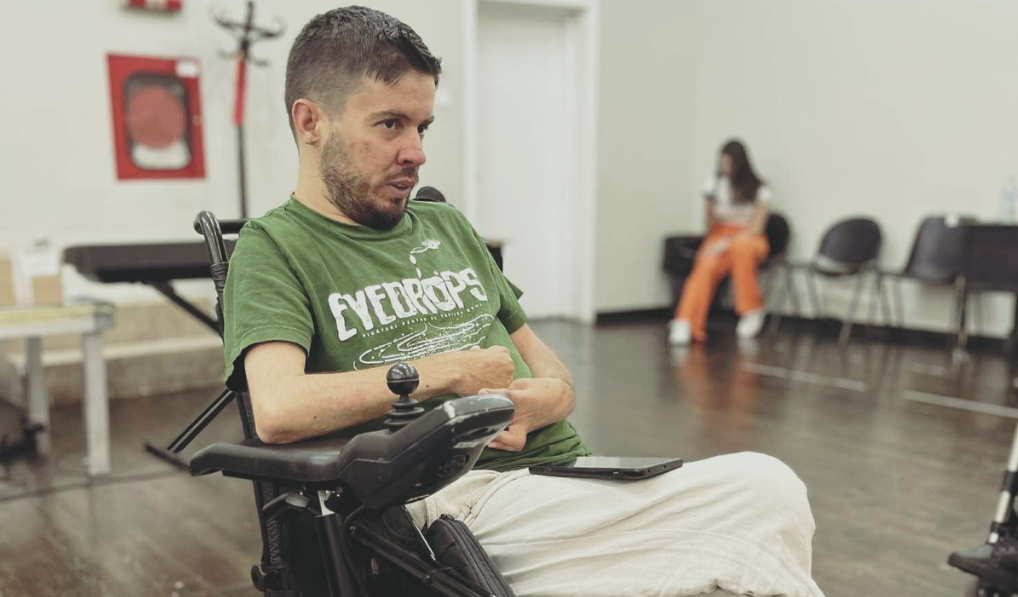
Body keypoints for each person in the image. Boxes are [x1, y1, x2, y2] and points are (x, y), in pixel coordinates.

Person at [223, 7, 824, 596]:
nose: (416, 152)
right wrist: (448, 372)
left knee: (767, 490)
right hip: (456, 510)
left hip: (564, 482)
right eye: (390, 125)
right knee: (750, 519)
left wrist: (551, 399)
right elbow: (278, 408)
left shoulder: (447, 227)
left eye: (422, 127)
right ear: (311, 122)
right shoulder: (274, 246)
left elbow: (544, 364)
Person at [669, 140, 773, 345]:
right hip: (720, 235)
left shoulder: (760, 188)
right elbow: (710, 225)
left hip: (749, 237)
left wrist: (729, 242)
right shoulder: (714, 184)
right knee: (706, 264)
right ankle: (686, 320)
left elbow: (757, 227)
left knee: (741, 248)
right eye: (722, 162)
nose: (725, 167)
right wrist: (709, 208)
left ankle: (751, 309)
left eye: (729, 163)